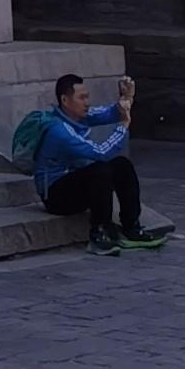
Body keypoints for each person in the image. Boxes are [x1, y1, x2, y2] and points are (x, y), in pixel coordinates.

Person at [32, 69, 172, 255]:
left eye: (87, 97)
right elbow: (100, 152)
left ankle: (131, 227)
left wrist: (126, 98)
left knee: (121, 165)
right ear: (65, 100)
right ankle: (99, 233)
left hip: (75, 183)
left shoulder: (78, 116)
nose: (87, 102)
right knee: (99, 170)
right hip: (56, 197)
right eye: (82, 98)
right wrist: (123, 126)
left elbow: (109, 113)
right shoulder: (59, 131)